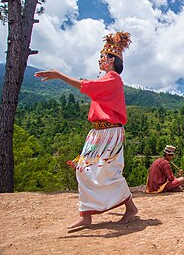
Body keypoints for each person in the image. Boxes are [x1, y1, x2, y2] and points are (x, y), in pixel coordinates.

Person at [34, 31, 138, 228]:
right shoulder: (106, 80)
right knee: (83, 170)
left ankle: (130, 207)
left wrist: (59, 75)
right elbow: (89, 87)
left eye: (103, 57)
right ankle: (86, 214)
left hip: (109, 132)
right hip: (98, 133)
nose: (100, 60)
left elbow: (86, 86)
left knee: (107, 172)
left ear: (111, 60)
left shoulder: (113, 78)